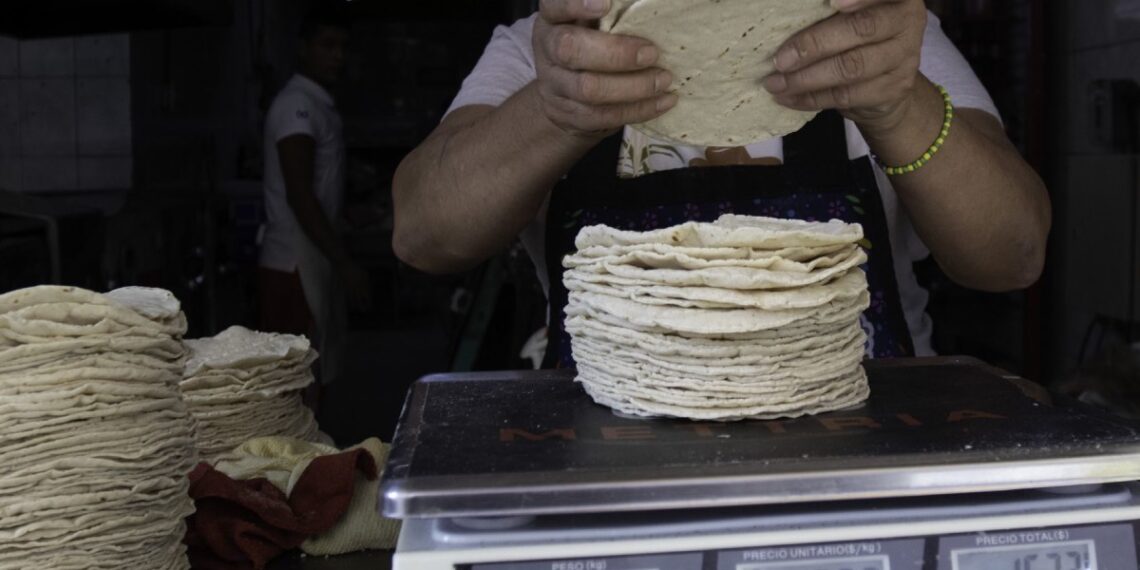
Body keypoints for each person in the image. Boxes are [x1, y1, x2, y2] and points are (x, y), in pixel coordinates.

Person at [392, 0, 1051, 365]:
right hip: (601, 440)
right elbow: (424, 235)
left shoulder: (877, 38)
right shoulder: (545, 51)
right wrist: (554, 110)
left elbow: (1012, 255)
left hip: (863, 438)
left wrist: (898, 104)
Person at [258, 4, 371, 391]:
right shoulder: (296, 106)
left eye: (343, 46)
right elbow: (300, 195)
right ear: (303, 48)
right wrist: (345, 264)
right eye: (327, 45)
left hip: (312, 259)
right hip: (292, 265)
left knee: (316, 374)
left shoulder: (316, 103)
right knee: (296, 384)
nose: (337, 56)